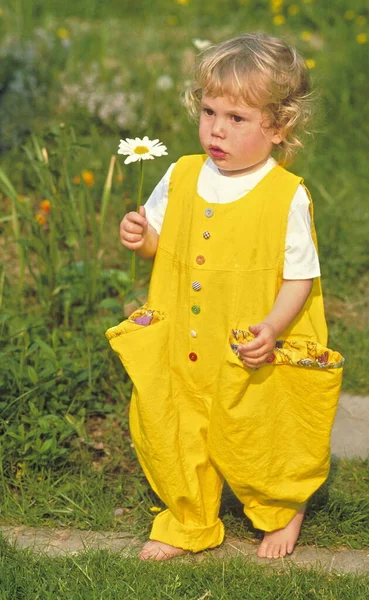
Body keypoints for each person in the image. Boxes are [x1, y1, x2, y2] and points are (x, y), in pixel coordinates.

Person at [106, 32, 344, 562]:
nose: (217, 128)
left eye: (238, 119)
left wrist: (273, 328)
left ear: (279, 127)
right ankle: (188, 519)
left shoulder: (286, 195)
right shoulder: (181, 173)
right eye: (209, 110)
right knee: (174, 426)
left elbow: (300, 277)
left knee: (259, 431)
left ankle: (281, 507)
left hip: (248, 342)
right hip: (184, 343)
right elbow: (162, 243)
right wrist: (141, 238)